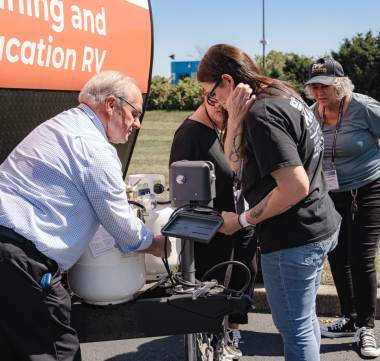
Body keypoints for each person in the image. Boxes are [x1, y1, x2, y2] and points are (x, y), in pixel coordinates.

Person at [0, 70, 171, 361]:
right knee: (57, 352)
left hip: (10, 252)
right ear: (111, 105)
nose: (137, 123)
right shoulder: (97, 150)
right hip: (23, 261)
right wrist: (158, 245)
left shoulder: (60, 124)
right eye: (135, 113)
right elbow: (124, 229)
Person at [197, 44, 341, 361]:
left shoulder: (262, 114)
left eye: (211, 93)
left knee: (295, 329)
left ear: (226, 82)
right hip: (318, 225)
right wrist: (234, 119)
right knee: (304, 323)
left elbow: (294, 187)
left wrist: (242, 220)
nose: (213, 101)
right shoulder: (279, 93)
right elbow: (234, 164)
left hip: (293, 237)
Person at [169, 91, 257, 360]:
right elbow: (182, 187)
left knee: (244, 276)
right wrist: (213, 218)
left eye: (226, 104)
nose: (220, 108)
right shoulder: (191, 133)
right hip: (214, 227)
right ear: (204, 96)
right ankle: (213, 339)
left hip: (244, 218)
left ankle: (231, 331)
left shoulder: (237, 125)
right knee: (217, 283)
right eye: (212, 101)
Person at [304, 57, 380, 358]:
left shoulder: (364, 108)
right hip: (330, 193)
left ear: (340, 84)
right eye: (313, 87)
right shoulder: (312, 113)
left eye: (324, 86)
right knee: (336, 255)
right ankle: (349, 318)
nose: (319, 92)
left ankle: (367, 327)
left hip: (367, 189)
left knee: (361, 258)